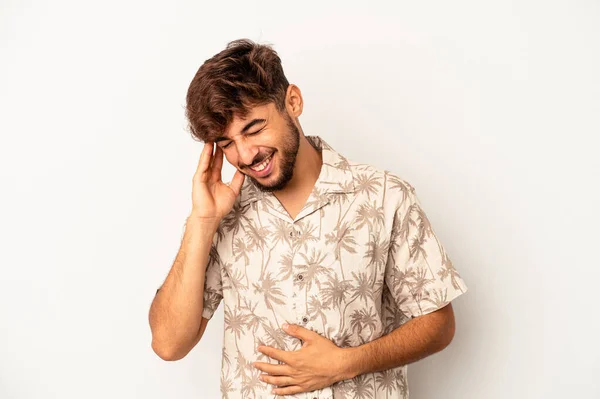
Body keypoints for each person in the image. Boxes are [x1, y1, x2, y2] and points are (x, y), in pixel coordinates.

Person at [148, 38, 468, 399]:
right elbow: (168, 344)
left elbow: (439, 323)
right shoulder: (220, 218)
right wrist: (202, 221)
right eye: (227, 144)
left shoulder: (384, 196)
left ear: (293, 102)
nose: (246, 154)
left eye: (254, 129)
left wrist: (347, 362)